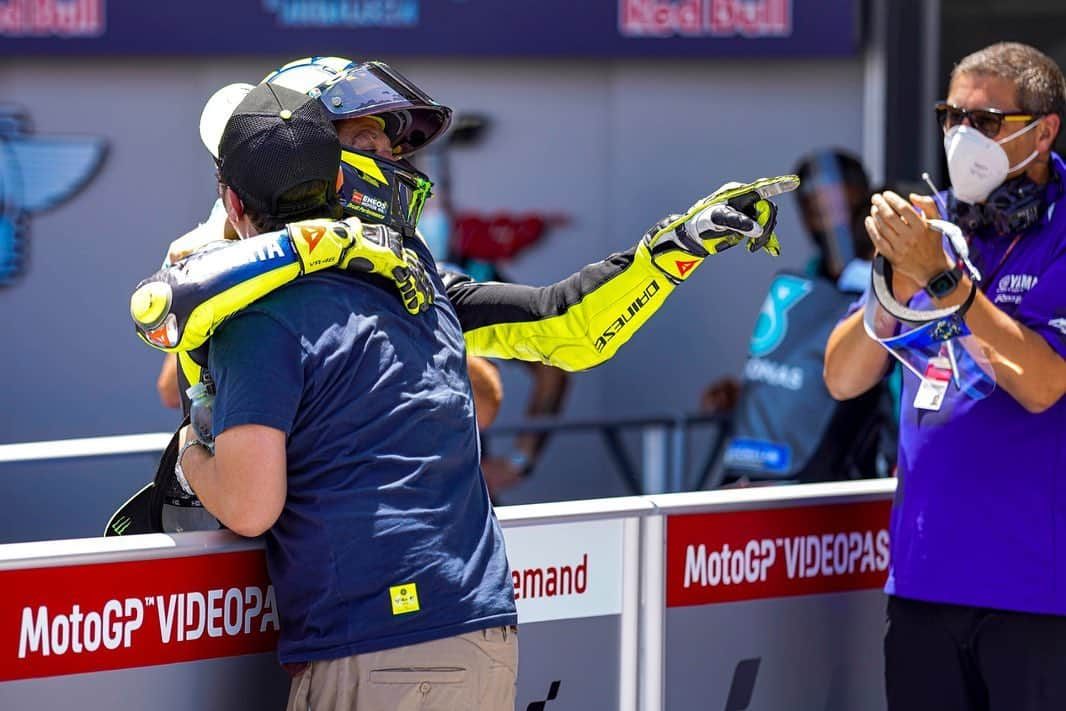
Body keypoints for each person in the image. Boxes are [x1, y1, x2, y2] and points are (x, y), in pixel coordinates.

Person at [152, 69, 792, 710]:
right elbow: (572, 330)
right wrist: (679, 247)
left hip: (374, 645)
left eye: (390, 147)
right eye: (373, 146)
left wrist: (187, 452)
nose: (394, 159)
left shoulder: (333, 296)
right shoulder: (413, 283)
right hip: (478, 633)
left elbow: (564, 324)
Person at [823, 42, 1066, 710]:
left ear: (1043, 129)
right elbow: (844, 378)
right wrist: (893, 275)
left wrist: (942, 279)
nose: (962, 137)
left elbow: (1043, 384)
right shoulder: (937, 225)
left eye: (984, 121)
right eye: (949, 117)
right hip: (925, 582)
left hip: (1038, 592)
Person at [700, 148, 894, 485]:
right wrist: (749, 396)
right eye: (810, 205)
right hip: (778, 477)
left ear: (862, 201)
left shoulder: (890, 286)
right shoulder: (802, 284)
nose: (823, 217)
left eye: (833, 204)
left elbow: (895, 386)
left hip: (849, 479)